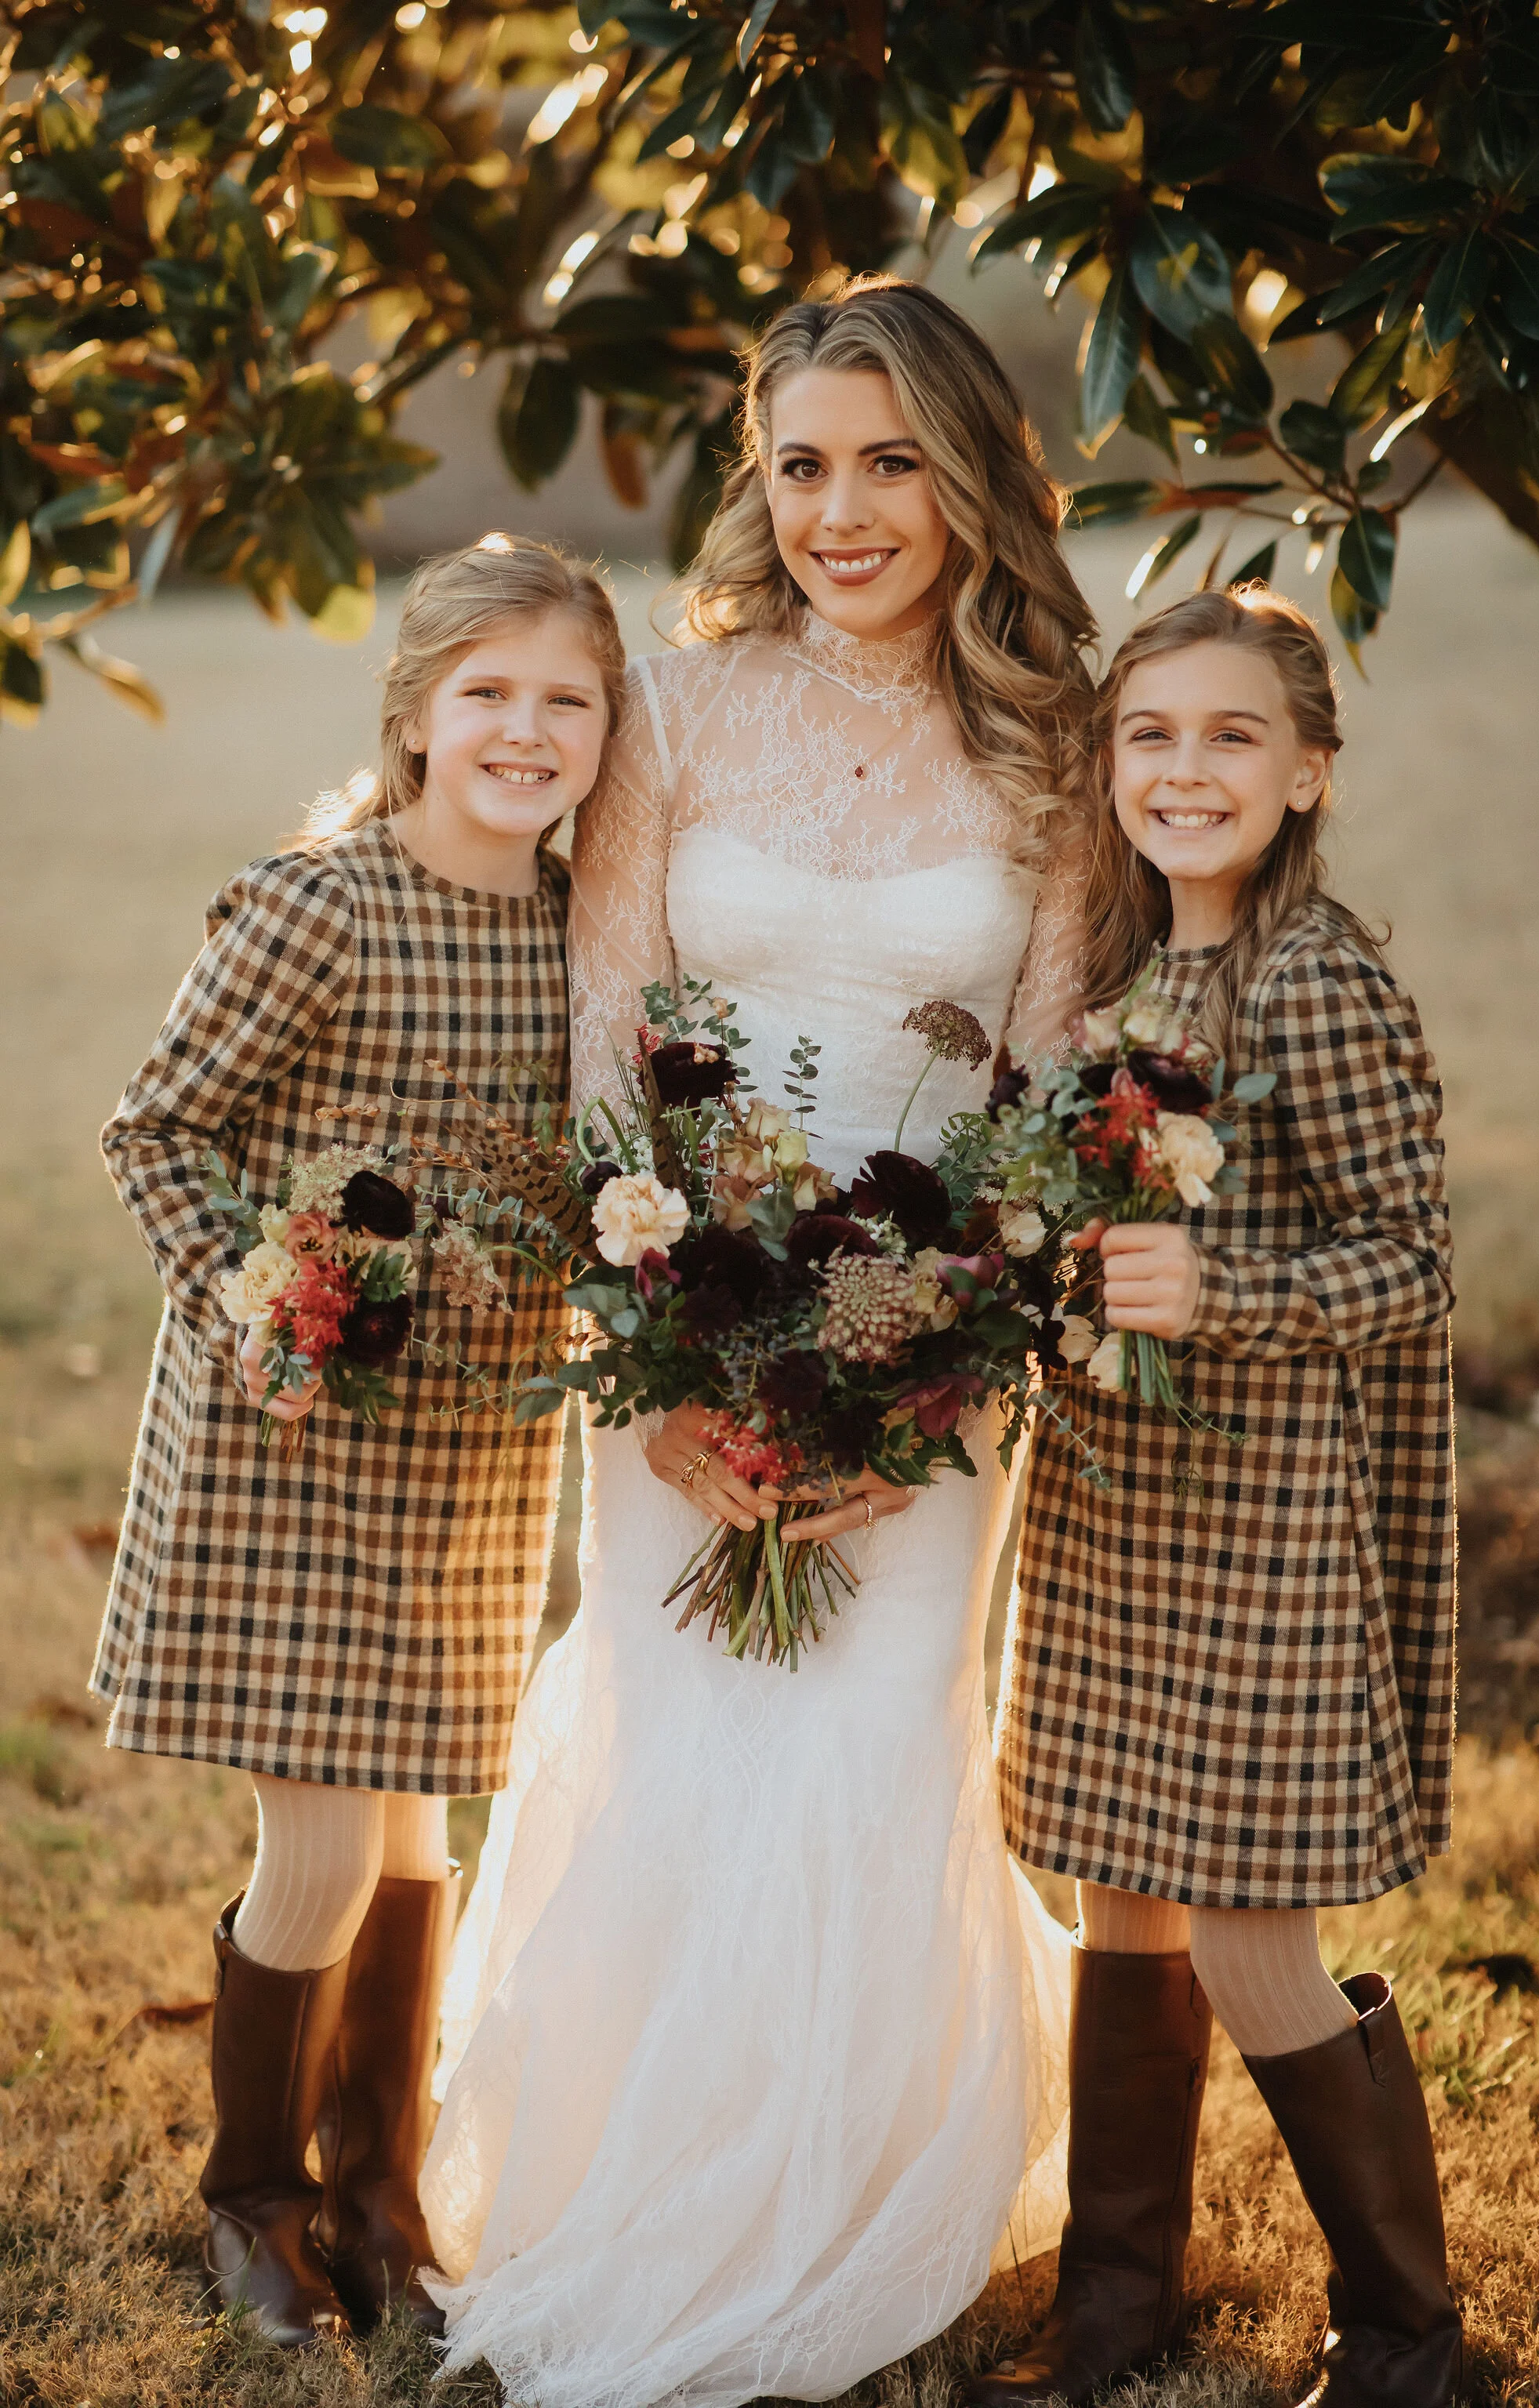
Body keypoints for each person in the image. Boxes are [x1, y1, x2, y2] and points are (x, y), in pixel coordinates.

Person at [419, 277, 1097, 2406]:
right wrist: (672, 1354)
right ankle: (638, 2210)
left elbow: (1059, 1091)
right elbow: (609, 1030)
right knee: (679, 1746)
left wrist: (957, 1368)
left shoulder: (1056, 742)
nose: (841, 510)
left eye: (891, 459)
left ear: (974, 471)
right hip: (675, 1341)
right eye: (802, 463)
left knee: (876, 1761)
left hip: (938, 1353)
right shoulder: (680, 705)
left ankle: (850, 2246)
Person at [92, 535, 622, 2347]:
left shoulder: (584, 934)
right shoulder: (319, 905)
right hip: (293, 1432)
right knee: (320, 1840)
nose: (526, 730)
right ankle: (255, 2202)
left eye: (568, 700)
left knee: (414, 1829)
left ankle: (376, 2188)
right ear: (411, 717)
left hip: (471, 1445)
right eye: (489, 694)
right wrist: (257, 1301)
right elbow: (158, 1131)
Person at [977, 588, 1461, 2408]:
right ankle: (1119, 2302)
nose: (1184, 770)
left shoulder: (1316, 979)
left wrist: (1224, 1290)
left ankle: (1411, 2337)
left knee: (1253, 1923)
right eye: (1150, 736)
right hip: (1112, 1507)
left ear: (1309, 771)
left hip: (1256, 1519)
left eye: (1231, 736)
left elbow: (1408, 1263)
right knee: (1120, 1888)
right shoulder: (1116, 980)